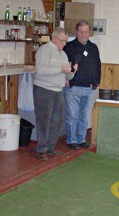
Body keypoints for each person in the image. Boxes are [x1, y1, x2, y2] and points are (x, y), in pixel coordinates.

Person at [33, 27, 77, 161]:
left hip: (59, 90)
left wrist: (71, 72)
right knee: (44, 121)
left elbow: (66, 77)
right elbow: (40, 70)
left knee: (57, 120)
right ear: (54, 38)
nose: (64, 44)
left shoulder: (63, 54)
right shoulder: (44, 50)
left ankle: (50, 148)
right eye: (62, 41)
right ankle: (41, 150)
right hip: (44, 89)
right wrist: (60, 69)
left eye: (66, 42)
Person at [63, 20, 101, 150]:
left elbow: (98, 66)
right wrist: (65, 79)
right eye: (81, 32)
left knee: (84, 115)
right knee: (72, 115)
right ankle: (71, 140)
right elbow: (62, 65)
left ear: (89, 32)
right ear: (76, 32)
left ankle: (81, 139)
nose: (83, 35)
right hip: (73, 87)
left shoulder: (93, 48)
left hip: (89, 88)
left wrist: (96, 82)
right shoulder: (69, 47)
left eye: (86, 32)